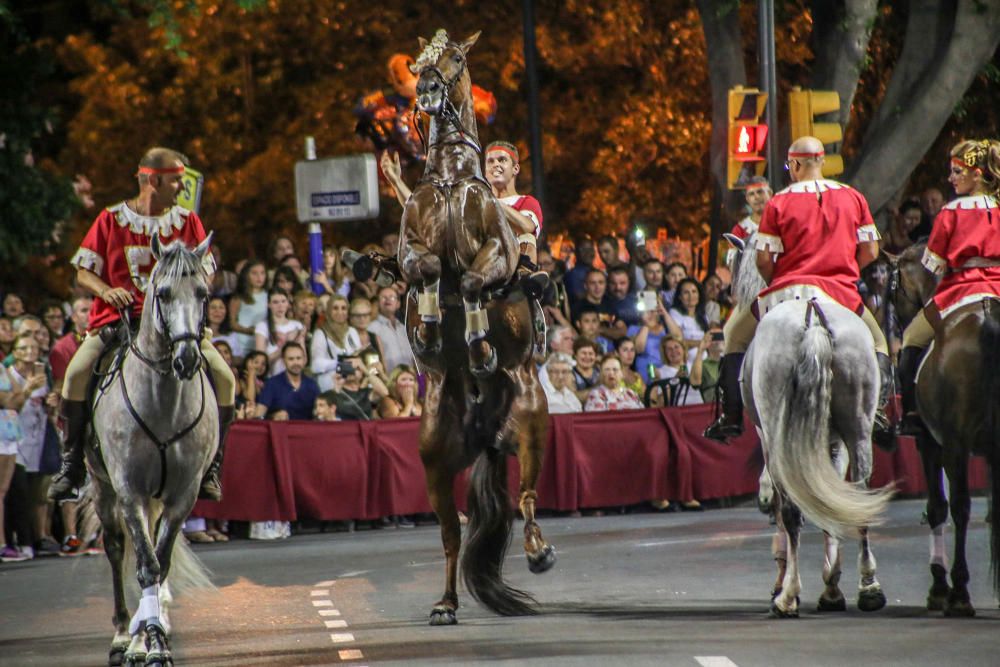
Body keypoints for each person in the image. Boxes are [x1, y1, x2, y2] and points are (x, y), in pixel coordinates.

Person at [49, 147, 236, 502]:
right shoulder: (110, 219)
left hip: (177, 325)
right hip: (119, 321)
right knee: (75, 374)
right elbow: (83, 272)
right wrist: (107, 290)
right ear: (153, 179)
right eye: (176, 180)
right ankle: (72, 464)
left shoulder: (186, 221)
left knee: (225, 378)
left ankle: (212, 465)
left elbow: (205, 270)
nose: (182, 187)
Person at [703, 136, 893, 444]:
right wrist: (845, 274)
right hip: (840, 292)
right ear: (822, 162)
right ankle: (879, 410)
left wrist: (777, 280)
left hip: (788, 289)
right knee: (879, 341)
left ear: (795, 164)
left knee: (733, 335)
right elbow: (870, 251)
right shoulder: (853, 196)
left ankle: (731, 416)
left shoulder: (779, 201)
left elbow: (763, 259)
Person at [898, 139, 1000, 433]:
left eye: (957, 171)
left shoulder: (950, 212)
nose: (950, 178)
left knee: (911, 340)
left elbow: (934, 265)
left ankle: (912, 414)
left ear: (977, 174)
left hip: (960, 291)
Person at [254, 342, 320, 420]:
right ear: (283, 360)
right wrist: (273, 417)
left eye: (298, 358)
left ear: (304, 359)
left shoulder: (312, 385)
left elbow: (320, 414)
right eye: (291, 359)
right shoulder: (272, 384)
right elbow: (258, 416)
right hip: (280, 431)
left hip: (306, 431)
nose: (295, 363)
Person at [311, 295, 361, 391]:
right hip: (330, 385)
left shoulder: (352, 331)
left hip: (352, 384)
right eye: (335, 308)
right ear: (329, 311)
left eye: (343, 308)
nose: (340, 312)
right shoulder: (321, 333)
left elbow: (358, 358)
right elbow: (316, 365)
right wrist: (341, 363)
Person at [255, 287, 305, 377]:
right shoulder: (262, 326)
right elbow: (260, 362)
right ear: (268, 305)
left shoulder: (297, 326)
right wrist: (286, 344)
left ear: (288, 303)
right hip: (272, 378)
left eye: (283, 301)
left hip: (294, 377)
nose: (280, 306)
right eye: (275, 302)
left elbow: (304, 359)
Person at [366, 286, 412, 374]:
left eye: (391, 297)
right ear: (378, 303)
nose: (387, 300)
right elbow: (371, 362)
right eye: (383, 297)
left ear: (398, 303)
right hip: (388, 381)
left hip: (409, 380)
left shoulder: (404, 328)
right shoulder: (372, 328)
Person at [228, 259, 268, 358]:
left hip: (262, 343)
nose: (259, 277)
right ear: (246, 275)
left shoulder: (269, 296)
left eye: (262, 273)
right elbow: (232, 323)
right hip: (242, 345)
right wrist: (248, 330)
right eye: (254, 273)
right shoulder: (239, 297)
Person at [330, 353, 388, 421]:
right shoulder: (337, 391)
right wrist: (337, 385)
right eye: (349, 366)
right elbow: (332, 406)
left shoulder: (366, 393)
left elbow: (384, 393)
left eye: (357, 368)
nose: (353, 370)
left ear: (361, 372)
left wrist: (366, 371)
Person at [571, 338, 601, 403]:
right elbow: (573, 397)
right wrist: (600, 385)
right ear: (575, 355)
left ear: (595, 356)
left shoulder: (600, 371)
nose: (587, 357)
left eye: (591, 354)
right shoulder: (570, 374)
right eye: (583, 353)